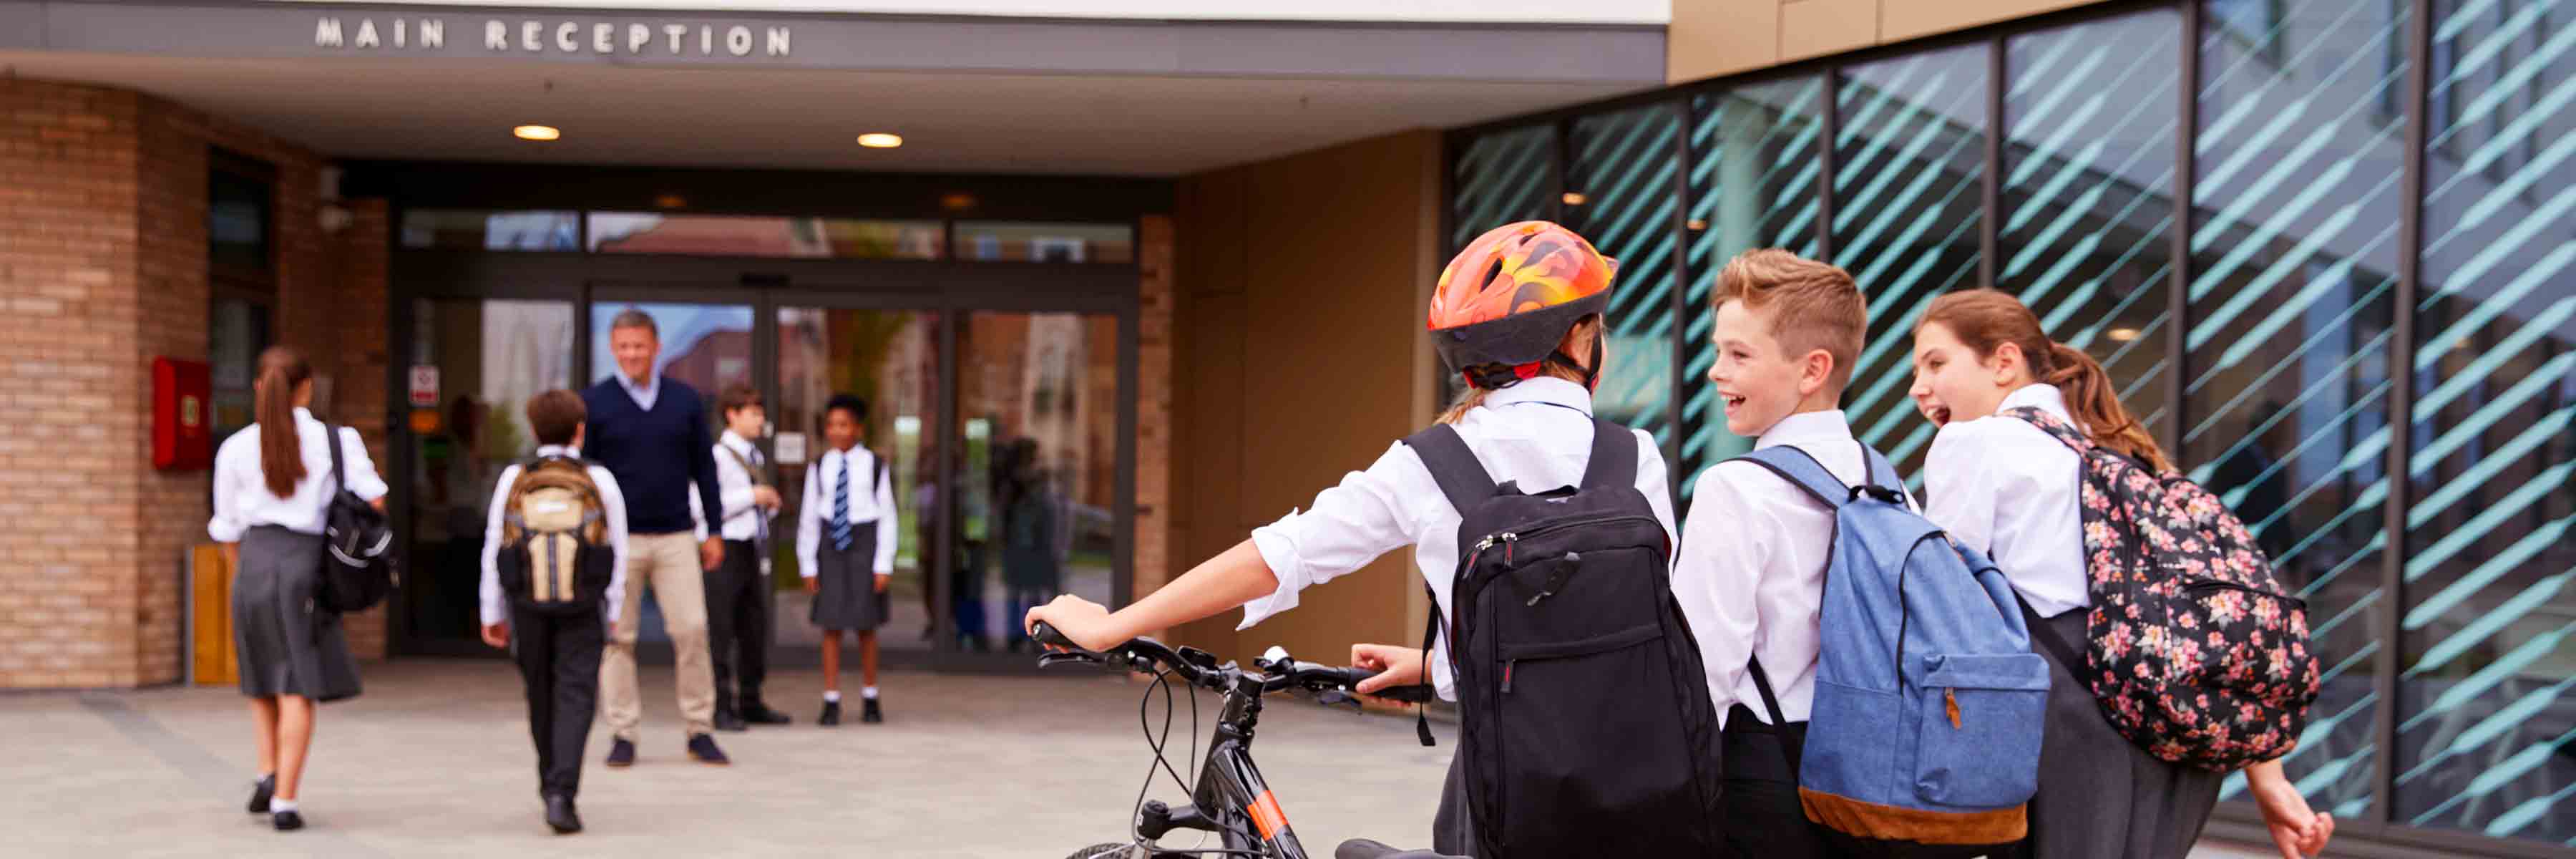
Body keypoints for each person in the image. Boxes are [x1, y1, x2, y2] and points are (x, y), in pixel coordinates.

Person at [1025, 221, 1676, 856]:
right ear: (1581, 337)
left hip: (1497, 796)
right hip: (1632, 793)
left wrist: (1114, 625)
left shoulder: (1436, 461)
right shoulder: (1635, 456)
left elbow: (1281, 556)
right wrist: (1438, 670)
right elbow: (1632, 632)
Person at [1907, 289, 2334, 859]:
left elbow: (1942, 605)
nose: (1918, 387)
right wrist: (2270, 781)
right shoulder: (2121, 453)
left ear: (2004, 362)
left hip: (2067, 725)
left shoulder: (1975, 441)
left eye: (1936, 363)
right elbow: (2214, 628)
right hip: (2167, 736)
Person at [1670, 249, 1882, 858]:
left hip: (1762, 773)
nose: (1715, 370)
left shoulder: (1736, 486)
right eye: (1717, 350)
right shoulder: (1883, 479)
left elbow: (1702, 668)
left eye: (1739, 354)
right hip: (1865, 770)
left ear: (1812, 369)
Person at [208, 346, 385, 833]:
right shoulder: (336, 440)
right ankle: (285, 799)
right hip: (306, 563)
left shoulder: (236, 446)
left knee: (260, 676)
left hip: (252, 563)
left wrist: (241, 571)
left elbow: (225, 527)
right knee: (297, 686)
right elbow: (375, 497)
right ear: (307, 387)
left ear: (258, 388)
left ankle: (267, 772)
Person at [580, 309, 729, 767]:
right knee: (617, 638)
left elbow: (705, 470)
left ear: (656, 347)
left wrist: (715, 531)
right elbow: (584, 477)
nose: (631, 354)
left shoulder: (685, 401)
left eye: (639, 346)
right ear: (613, 348)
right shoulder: (594, 402)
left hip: (676, 536)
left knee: (692, 631)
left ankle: (699, 730)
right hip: (617, 543)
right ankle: (623, 734)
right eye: (623, 346)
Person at [477, 389, 628, 835]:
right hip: (585, 604)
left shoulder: (514, 478)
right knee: (577, 697)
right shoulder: (601, 480)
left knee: (540, 695)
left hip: (527, 604)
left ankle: (549, 783)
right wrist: (615, 609)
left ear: (533, 429)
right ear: (580, 431)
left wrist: (492, 609)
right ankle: (563, 793)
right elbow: (616, 548)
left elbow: (494, 546)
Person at [796, 394, 899, 725]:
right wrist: (808, 564)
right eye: (831, 425)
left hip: (863, 545)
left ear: (858, 428)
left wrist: (883, 563)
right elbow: (809, 517)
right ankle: (831, 699)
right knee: (832, 626)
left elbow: (888, 516)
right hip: (831, 548)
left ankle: (870, 696)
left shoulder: (874, 465)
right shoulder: (820, 465)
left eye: (844, 425)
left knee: (867, 627)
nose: (837, 431)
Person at [696, 382, 792, 730]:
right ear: (731, 415)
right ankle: (720, 706)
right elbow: (701, 506)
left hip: (750, 547)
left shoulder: (754, 455)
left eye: (761, 413)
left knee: (753, 627)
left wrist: (766, 505)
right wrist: (752, 496)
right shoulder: (717, 457)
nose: (760, 420)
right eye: (753, 413)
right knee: (721, 629)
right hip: (724, 549)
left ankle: (751, 699)